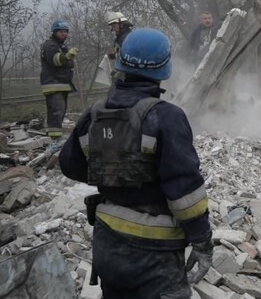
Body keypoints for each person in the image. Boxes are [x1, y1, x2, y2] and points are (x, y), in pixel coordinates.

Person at [59, 28, 213, 299]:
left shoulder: (94, 114)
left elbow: (70, 165)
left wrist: (112, 172)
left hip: (107, 245)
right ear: (165, 69)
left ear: (121, 63)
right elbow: (185, 191)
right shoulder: (167, 117)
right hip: (156, 254)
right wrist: (202, 240)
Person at [40, 19, 77, 138]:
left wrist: (67, 58)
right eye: (61, 31)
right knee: (56, 113)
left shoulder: (62, 46)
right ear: (54, 32)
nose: (64, 34)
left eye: (66, 31)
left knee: (60, 113)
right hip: (53, 84)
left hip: (62, 84)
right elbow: (55, 60)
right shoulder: (50, 45)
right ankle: (54, 139)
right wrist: (67, 57)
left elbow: (70, 63)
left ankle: (55, 138)